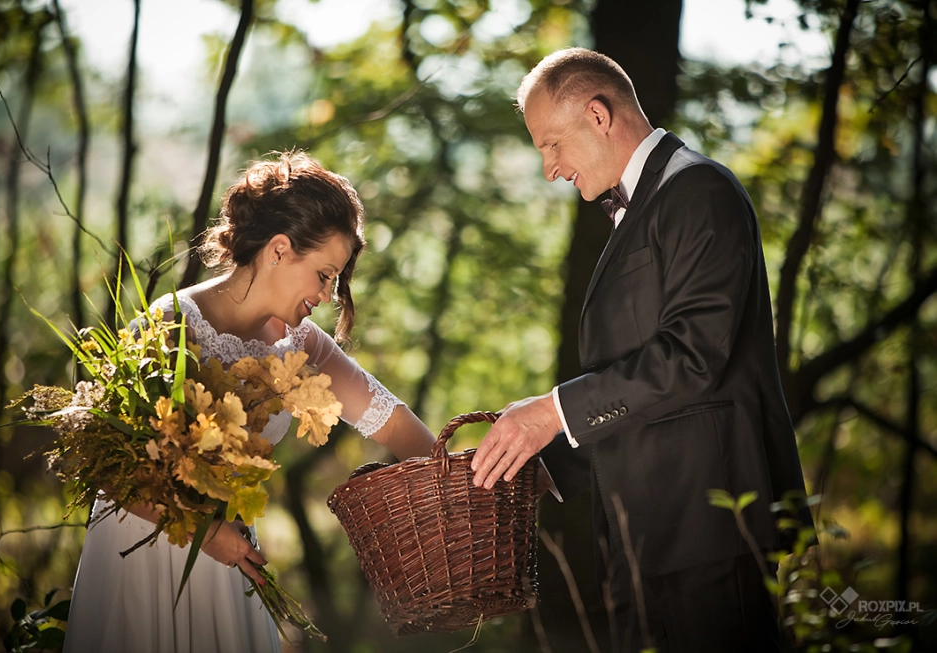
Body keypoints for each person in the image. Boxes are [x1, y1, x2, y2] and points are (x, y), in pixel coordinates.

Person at [470, 48, 812, 651]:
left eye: (552, 144)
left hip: (708, 530)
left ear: (599, 117)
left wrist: (552, 413)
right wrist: (544, 462)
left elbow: (692, 359)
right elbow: (636, 383)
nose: (549, 169)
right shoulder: (647, 205)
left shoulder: (698, 190)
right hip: (644, 538)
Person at [62, 151, 437, 653]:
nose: (327, 296)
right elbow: (100, 463)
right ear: (279, 250)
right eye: (324, 275)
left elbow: (394, 426)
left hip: (229, 563)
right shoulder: (170, 326)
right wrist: (202, 533)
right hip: (144, 555)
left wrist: (470, 484)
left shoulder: (303, 345)